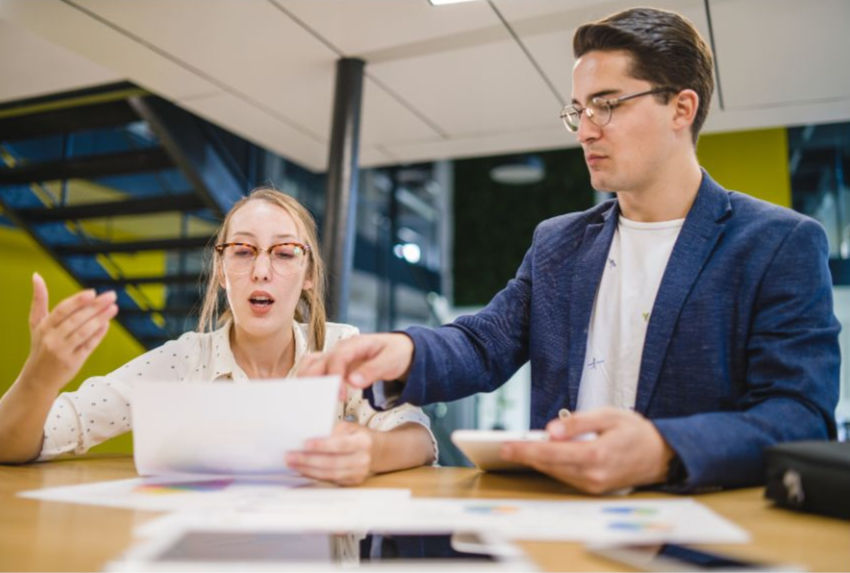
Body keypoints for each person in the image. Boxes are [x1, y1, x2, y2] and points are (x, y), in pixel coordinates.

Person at [300, 7, 840, 493]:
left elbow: (798, 415)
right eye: (578, 110)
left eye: (605, 106)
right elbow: (486, 345)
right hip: (559, 524)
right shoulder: (558, 242)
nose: (584, 131)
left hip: (703, 534)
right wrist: (405, 353)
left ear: (682, 108)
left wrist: (663, 450)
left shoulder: (777, 243)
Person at [0, 187, 436, 485]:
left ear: (307, 275)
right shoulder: (180, 362)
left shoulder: (343, 346)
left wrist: (371, 452)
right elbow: (15, 444)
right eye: (243, 251)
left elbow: (417, 437)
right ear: (222, 272)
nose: (261, 270)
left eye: (285, 253)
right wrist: (40, 376)